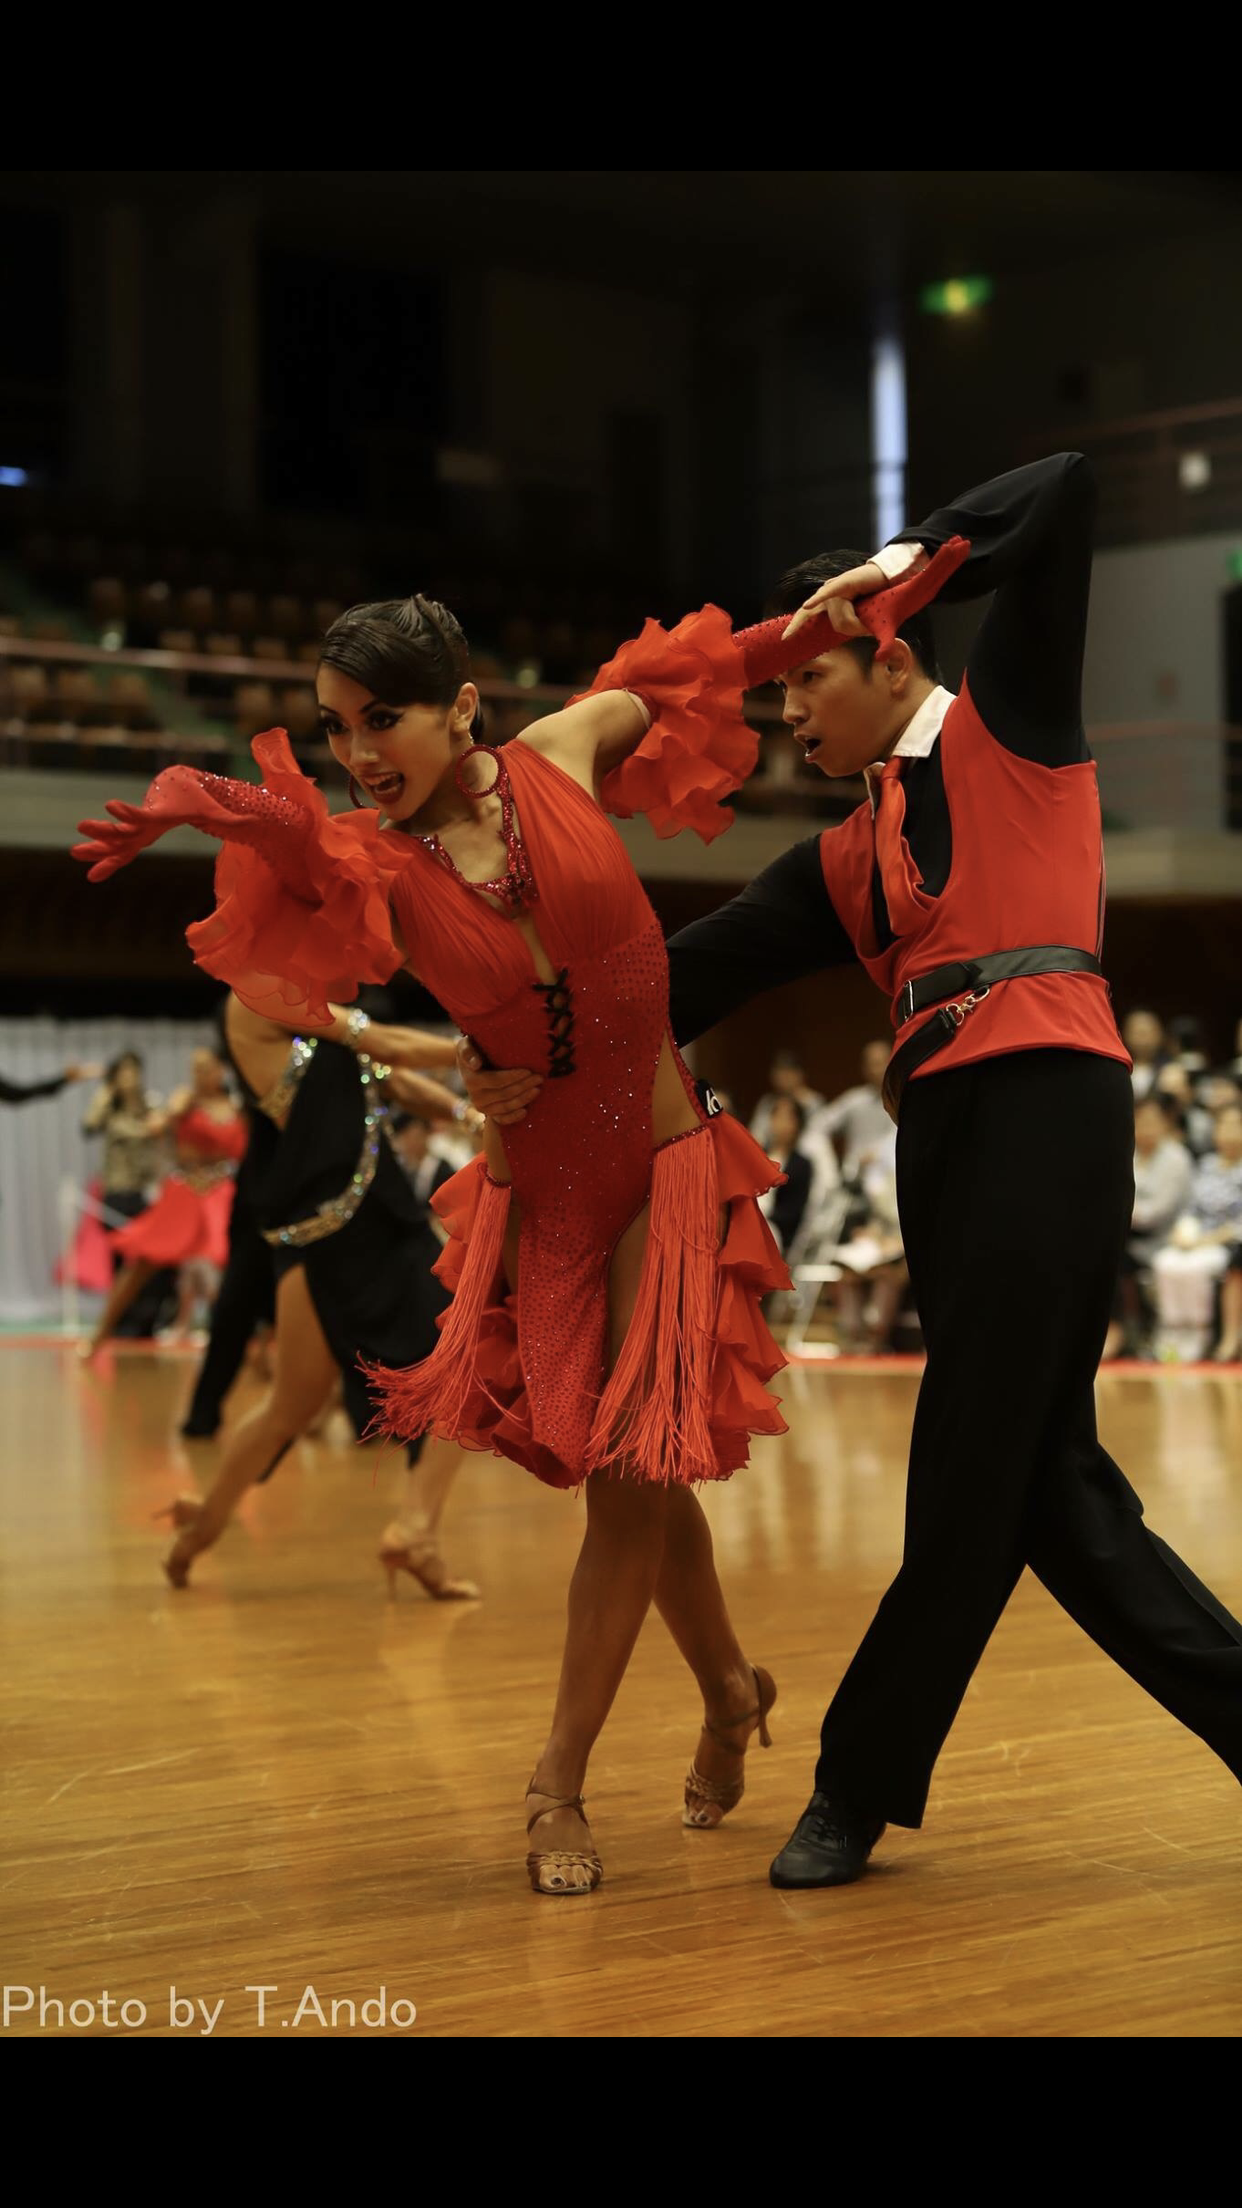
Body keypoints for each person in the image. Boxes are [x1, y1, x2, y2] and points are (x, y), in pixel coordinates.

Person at [73, 574, 951, 1894]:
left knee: (633, 1476)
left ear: (463, 707)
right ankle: (727, 1690)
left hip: (667, 1173)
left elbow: (720, 665)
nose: (359, 753)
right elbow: (294, 850)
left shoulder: (563, 748)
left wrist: (859, 602)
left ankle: (558, 1784)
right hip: (549, 1199)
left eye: (382, 720)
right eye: (335, 729)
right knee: (638, 1476)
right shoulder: (376, 864)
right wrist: (204, 798)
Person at [464, 452, 1242, 1891]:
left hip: (1049, 1099)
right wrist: (507, 1028)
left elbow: (1065, 491)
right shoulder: (842, 858)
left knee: (969, 1467)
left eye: (803, 682)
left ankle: (854, 1784)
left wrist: (905, 558)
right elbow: (660, 984)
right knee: (1040, 1483)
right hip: (942, 1135)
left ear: (883, 654)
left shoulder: (1012, 722)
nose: (786, 713)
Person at [152, 993, 479, 1595]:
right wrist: (480, 1049)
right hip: (343, 1233)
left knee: (305, 1401)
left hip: (354, 1224)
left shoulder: (320, 1018)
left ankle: (208, 1521)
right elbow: (388, 1043)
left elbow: (391, 1077)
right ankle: (411, 1532)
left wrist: (467, 1113)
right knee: (449, 1364)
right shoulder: (258, 998)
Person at [81, 1046, 247, 1357]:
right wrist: (174, 1112)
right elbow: (155, 1128)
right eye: (195, 1068)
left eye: (206, 1068)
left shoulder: (236, 1108)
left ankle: (248, 1348)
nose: (199, 1074)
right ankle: (99, 1336)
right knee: (141, 1264)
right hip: (185, 1191)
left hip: (220, 1194)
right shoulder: (185, 1101)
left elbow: (244, 1151)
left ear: (221, 1070)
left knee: (237, 1268)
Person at [1100, 1094, 1193, 1361]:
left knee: (1116, 1256)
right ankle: (1111, 1327)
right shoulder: (1127, 1152)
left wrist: (1121, 1211)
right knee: (1100, 1249)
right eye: (1140, 1121)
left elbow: (1158, 1211)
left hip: (1164, 1237)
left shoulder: (1176, 1158)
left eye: (1153, 1121)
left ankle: (1122, 1329)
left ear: (1165, 1124)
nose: (1146, 1128)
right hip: (1126, 1232)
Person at [1150, 1101, 1242, 1363]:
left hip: (1227, 1241)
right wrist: (1181, 1231)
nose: (1229, 1132)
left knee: (1197, 1267)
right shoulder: (1206, 1165)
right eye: (1223, 1126)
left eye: (1236, 1126)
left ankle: (1201, 1333)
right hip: (1196, 1238)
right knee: (1166, 1261)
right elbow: (1190, 1208)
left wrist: (1206, 1241)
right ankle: (1173, 1331)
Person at [812, 1039, 893, 1184]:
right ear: (865, 1068)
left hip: (892, 1177)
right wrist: (828, 1167)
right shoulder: (854, 1101)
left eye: (882, 1062)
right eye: (873, 1064)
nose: (878, 1069)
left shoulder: (905, 1099)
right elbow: (818, 1126)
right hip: (855, 1179)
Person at [758, 1095, 812, 1254]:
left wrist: (760, 1218)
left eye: (788, 1118)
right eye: (777, 1116)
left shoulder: (801, 1164)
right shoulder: (757, 1154)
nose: (781, 1123)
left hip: (774, 1228)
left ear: (798, 1125)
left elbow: (792, 1212)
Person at [1123, 1009, 1169, 1101]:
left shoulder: (1170, 1069)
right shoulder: (1118, 1069)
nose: (1143, 1039)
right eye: (1138, 1033)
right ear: (1125, 1034)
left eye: (1149, 1033)